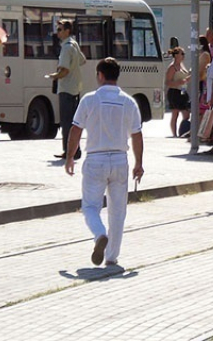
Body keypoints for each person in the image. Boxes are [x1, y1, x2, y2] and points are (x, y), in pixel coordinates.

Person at [65, 57, 143, 268]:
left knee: (90, 206)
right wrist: (139, 163)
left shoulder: (89, 100)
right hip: (120, 159)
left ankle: (99, 234)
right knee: (118, 211)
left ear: (100, 75)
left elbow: (76, 130)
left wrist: (70, 156)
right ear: (117, 76)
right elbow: (137, 135)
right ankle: (111, 257)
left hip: (96, 159)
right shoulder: (129, 102)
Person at [48, 19, 86, 160]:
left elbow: (64, 71)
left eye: (59, 30)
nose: (57, 32)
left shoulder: (66, 47)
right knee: (73, 122)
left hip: (66, 88)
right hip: (75, 88)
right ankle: (76, 150)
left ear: (67, 31)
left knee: (66, 122)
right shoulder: (74, 44)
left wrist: (54, 76)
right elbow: (83, 60)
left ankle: (69, 151)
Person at [164, 47, 191, 137]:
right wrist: (178, 83)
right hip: (174, 92)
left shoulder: (182, 65)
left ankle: (182, 132)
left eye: (184, 54)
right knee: (175, 114)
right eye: (181, 54)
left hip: (182, 91)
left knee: (186, 114)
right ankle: (174, 134)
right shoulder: (172, 67)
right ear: (176, 55)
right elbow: (167, 82)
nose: (183, 56)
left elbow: (184, 78)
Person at [198, 35, 211, 105]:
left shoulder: (205, 55)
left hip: (202, 82)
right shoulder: (200, 55)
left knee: (201, 104)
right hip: (199, 81)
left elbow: (201, 70)